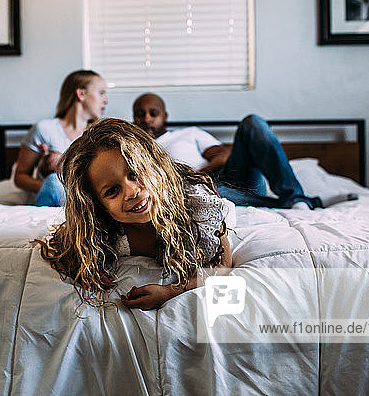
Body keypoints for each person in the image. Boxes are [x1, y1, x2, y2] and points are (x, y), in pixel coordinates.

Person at [35, 118, 233, 310]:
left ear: (155, 165)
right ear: (98, 205)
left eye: (135, 173)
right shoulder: (102, 226)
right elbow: (64, 248)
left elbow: (222, 264)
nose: (131, 192)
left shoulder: (197, 205)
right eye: (112, 191)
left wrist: (170, 291)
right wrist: (86, 271)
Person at [132, 93, 329, 209]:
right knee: (202, 195)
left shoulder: (189, 133)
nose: (147, 119)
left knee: (253, 123)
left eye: (153, 113)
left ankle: (294, 195)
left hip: (231, 178)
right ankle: (295, 203)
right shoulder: (135, 149)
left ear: (165, 116)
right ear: (133, 118)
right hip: (197, 193)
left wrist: (198, 175)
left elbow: (222, 156)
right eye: (140, 115)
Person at [14, 70, 108, 206]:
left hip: (84, 202)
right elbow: (19, 177)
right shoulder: (45, 129)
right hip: (49, 204)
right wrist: (47, 181)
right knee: (54, 181)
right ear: (81, 94)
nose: (105, 100)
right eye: (101, 93)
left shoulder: (98, 136)